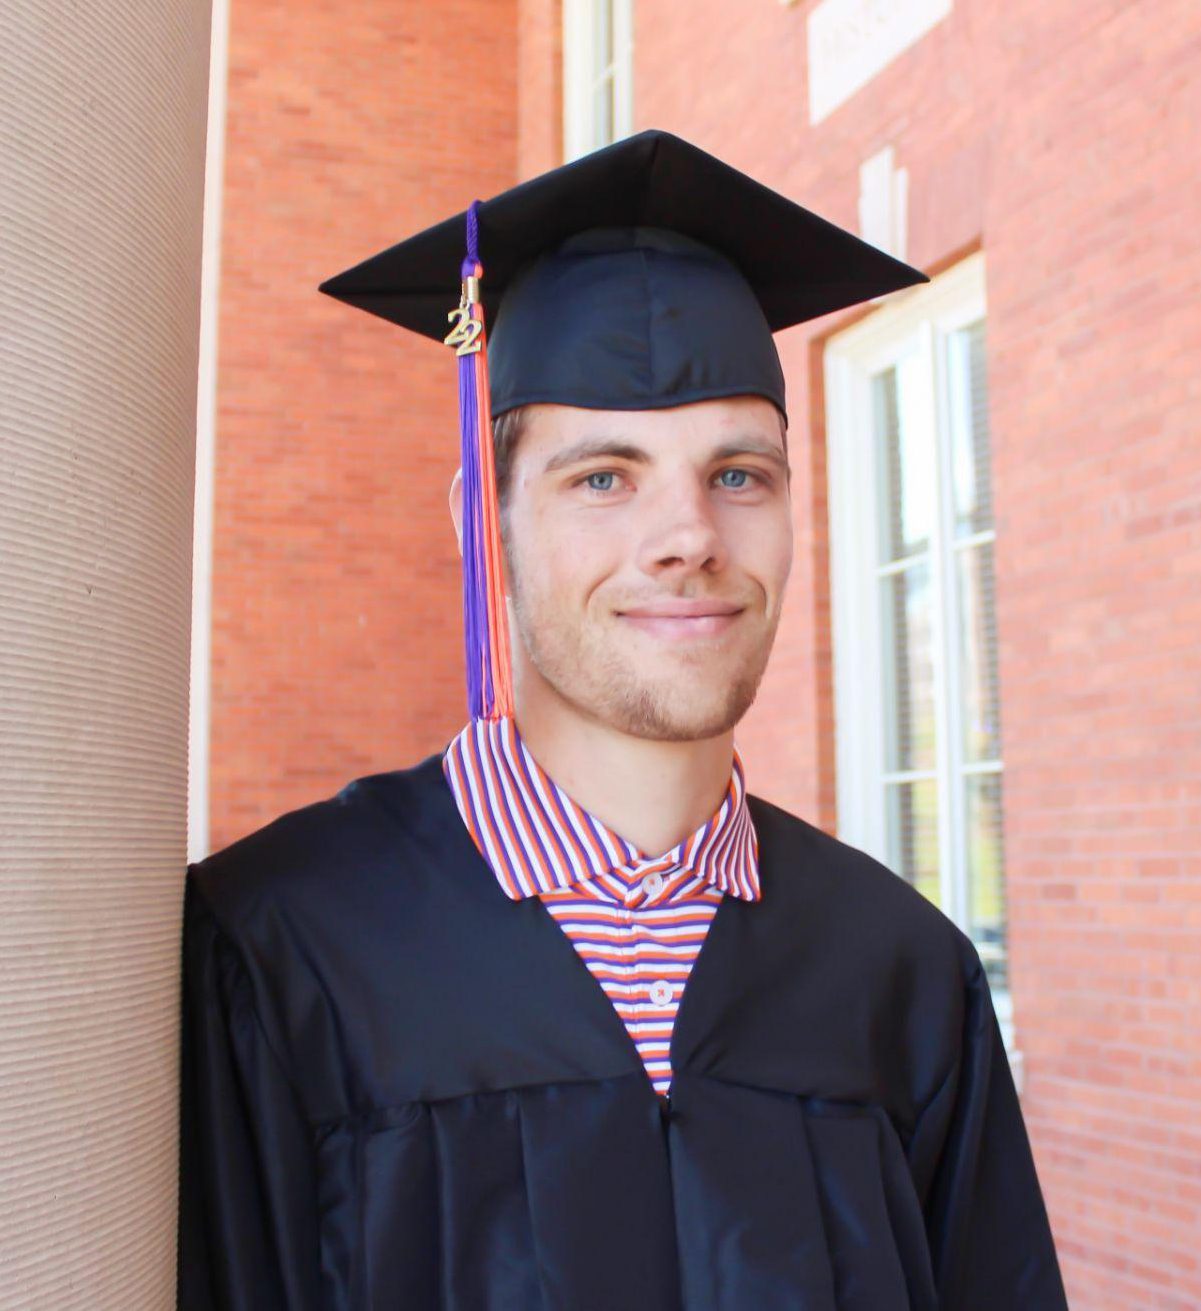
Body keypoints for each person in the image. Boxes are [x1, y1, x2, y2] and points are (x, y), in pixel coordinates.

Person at [177, 128, 1069, 1310]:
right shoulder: (284, 953)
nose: (689, 535)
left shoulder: (904, 978)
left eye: (738, 474)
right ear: (482, 522)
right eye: (604, 477)